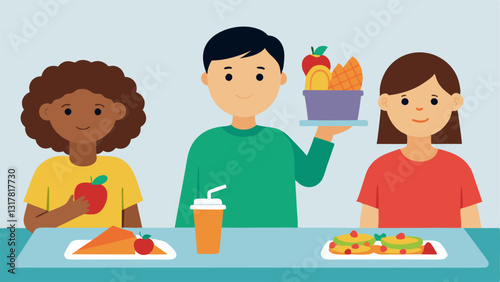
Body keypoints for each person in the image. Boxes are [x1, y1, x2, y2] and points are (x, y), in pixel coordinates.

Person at [175, 26, 350, 228]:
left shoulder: (279, 141)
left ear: (280, 79)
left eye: (259, 76)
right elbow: (187, 208)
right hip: (217, 248)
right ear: (207, 79)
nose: (243, 89)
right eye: (228, 77)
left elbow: (310, 176)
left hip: (280, 248)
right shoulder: (204, 145)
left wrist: (326, 131)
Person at [358, 52, 481, 228]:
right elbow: (368, 231)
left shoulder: (459, 168)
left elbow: (474, 233)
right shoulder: (378, 169)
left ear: (455, 102)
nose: (419, 108)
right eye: (405, 101)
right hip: (392, 254)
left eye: (433, 100)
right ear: (385, 103)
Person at [22, 60, 146, 232]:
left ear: (118, 112)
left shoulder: (120, 170)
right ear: (47, 112)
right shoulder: (49, 170)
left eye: (97, 111)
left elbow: (133, 227)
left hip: (108, 251)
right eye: (68, 111)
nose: (82, 121)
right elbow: (31, 223)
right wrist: (69, 212)